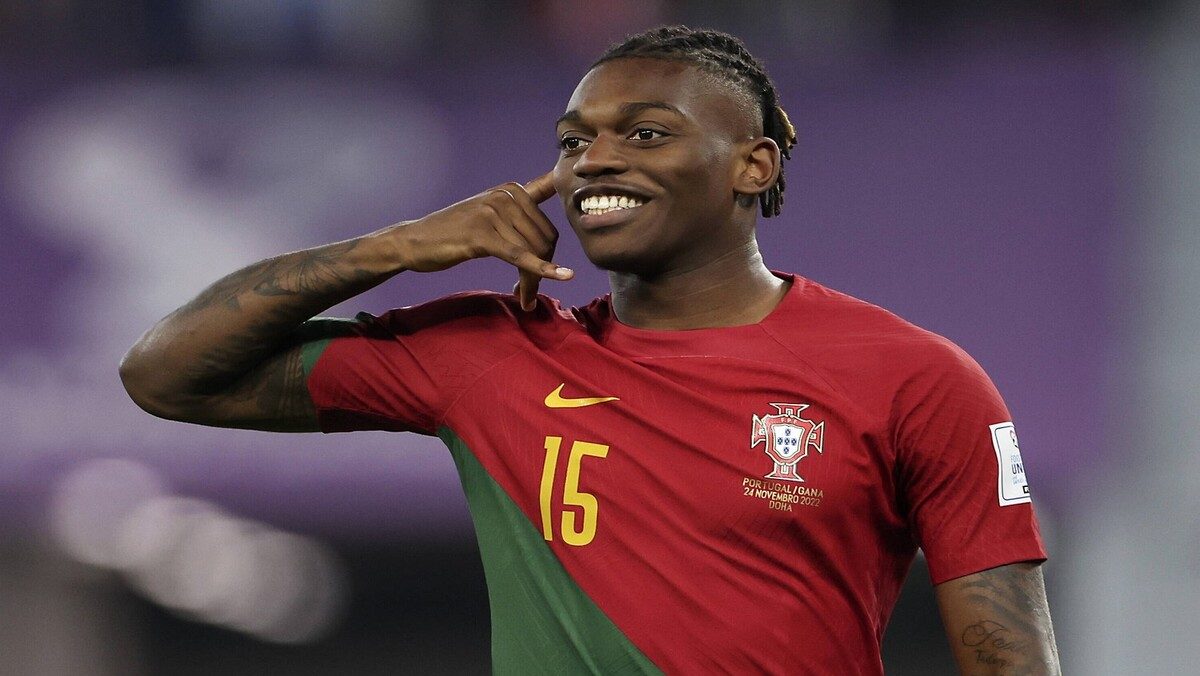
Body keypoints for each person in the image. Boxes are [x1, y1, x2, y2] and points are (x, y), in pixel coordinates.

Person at [120, 26, 1060, 675]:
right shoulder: (488, 353)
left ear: (754, 164)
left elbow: (1009, 656)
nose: (595, 160)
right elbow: (165, 375)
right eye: (574, 142)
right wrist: (395, 248)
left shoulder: (916, 377)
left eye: (645, 134)